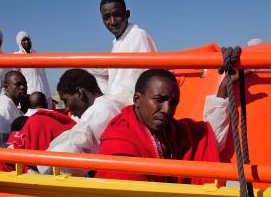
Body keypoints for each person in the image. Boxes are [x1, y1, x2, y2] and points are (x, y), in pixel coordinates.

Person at [95, 69, 230, 183]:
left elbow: (209, 140)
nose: (167, 110)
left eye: (173, 103)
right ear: (137, 99)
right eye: (159, 100)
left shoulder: (175, 130)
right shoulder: (120, 138)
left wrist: (223, 92)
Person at [37, 69, 121, 176]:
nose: (66, 108)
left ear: (79, 93)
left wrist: (39, 165)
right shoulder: (110, 103)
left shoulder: (99, 111)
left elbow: (76, 143)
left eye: (66, 100)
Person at [98, 0, 157, 106]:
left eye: (117, 15)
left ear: (127, 14)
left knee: (100, 107)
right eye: (107, 17)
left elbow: (140, 81)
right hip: (116, 100)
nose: (113, 22)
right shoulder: (118, 41)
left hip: (131, 104)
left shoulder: (137, 35)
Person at [15, 31, 52, 109]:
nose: (26, 42)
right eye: (24, 40)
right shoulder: (17, 57)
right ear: (19, 42)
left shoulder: (37, 55)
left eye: (27, 39)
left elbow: (43, 78)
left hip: (43, 95)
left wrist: (48, 96)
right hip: (28, 96)